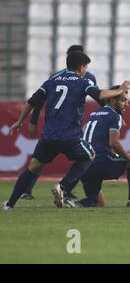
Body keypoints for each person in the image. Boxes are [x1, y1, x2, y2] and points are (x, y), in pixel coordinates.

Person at [2, 52, 130, 210]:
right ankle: (63, 187)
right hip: (70, 135)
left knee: (33, 167)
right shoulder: (82, 81)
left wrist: (19, 121)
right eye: (86, 67)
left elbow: (32, 102)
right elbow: (100, 94)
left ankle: (10, 204)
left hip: (48, 136)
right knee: (90, 155)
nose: (86, 70)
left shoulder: (52, 80)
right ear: (81, 67)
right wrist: (121, 89)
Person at [20, 44, 104, 200]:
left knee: (42, 159)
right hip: (63, 124)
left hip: (71, 122)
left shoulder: (81, 77)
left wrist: (32, 121)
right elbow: (39, 100)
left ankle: (64, 189)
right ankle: (33, 189)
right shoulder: (60, 77)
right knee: (83, 156)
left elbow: (36, 100)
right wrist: (33, 121)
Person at [72, 85, 130, 208]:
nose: (127, 104)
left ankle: (71, 204)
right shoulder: (115, 116)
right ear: (112, 101)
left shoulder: (95, 112)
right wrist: (128, 157)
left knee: (97, 202)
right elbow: (114, 143)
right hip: (100, 162)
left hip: (84, 165)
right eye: (123, 101)